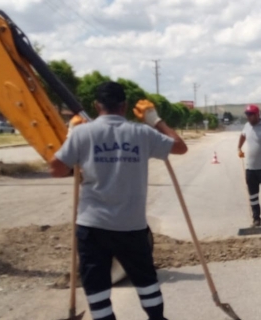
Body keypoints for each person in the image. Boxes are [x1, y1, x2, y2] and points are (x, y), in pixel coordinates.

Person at [49, 81, 187, 320]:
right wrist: (155, 120)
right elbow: (180, 147)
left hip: (92, 226)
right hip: (131, 226)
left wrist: (70, 135)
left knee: (97, 287)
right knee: (146, 282)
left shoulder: (83, 133)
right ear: (124, 106)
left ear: (96, 105)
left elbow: (57, 169)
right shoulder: (142, 133)